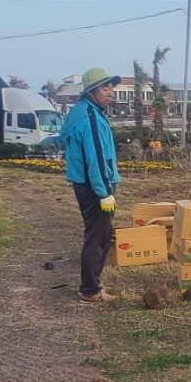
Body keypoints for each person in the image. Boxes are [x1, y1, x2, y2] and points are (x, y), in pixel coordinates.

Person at [58, 68, 121, 303]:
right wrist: (104, 193)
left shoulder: (87, 111)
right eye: (105, 88)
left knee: (104, 234)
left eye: (111, 87)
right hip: (95, 187)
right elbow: (95, 157)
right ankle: (90, 290)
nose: (110, 92)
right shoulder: (89, 117)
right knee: (97, 236)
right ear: (91, 91)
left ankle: (93, 284)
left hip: (90, 184)